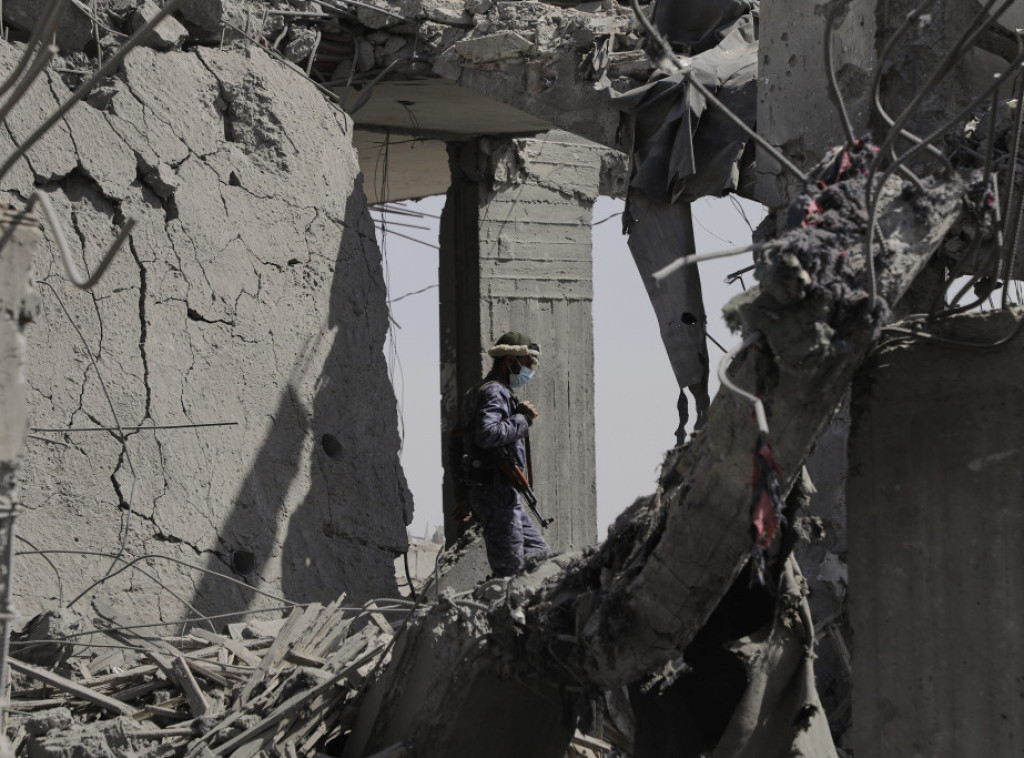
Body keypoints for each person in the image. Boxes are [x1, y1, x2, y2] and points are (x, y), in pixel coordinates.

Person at [454, 331, 550, 577]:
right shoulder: (495, 392)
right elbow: (487, 434)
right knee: (509, 571)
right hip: (495, 493)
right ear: (510, 361)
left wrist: (463, 495)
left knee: (538, 553)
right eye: (527, 364)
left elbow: (458, 446)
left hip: (498, 492)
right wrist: (523, 419)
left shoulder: (478, 392)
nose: (530, 371)